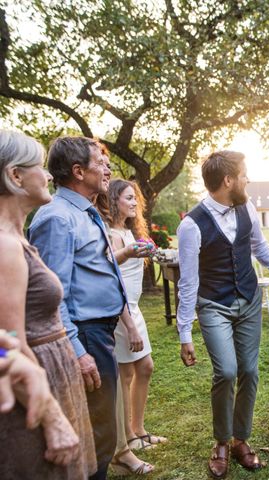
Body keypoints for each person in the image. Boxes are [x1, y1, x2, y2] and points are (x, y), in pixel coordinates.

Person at [177, 150, 269, 478]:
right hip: (213, 304)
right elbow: (188, 282)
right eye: (244, 174)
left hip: (249, 300)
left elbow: (258, 247)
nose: (248, 179)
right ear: (228, 180)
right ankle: (221, 443)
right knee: (227, 371)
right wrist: (185, 332)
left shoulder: (247, 207)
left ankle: (241, 440)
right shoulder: (191, 225)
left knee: (250, 371)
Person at [28, 136, 127, 480]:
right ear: (77, 171)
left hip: (101, 331)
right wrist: (77, 350)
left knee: (102, 432)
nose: (107, 168)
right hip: (85, 336)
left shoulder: (85, 210)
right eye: (100, 162)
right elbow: (51, 298)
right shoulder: (57, 218)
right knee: (97, 436)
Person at [0, 129, 96, 478]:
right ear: (15, 176)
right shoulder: (4, 247)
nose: (49, 176)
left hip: (53, 377)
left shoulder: (16, 239)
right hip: (32, 399)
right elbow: (6, 346)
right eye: (40, 167)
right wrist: (53, 419)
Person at [96, 178, 157, 475]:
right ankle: (123, 445)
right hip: (120, 311)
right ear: (113, 200)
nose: (135, 203)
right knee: (126, 372)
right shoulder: (107, 233)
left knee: (144, 368)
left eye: (136, 199)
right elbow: (109, 280)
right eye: (129, 198)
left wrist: (150, 251)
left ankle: (137, 429)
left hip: (135, 307)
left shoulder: (130, 231)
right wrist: (129, 325)